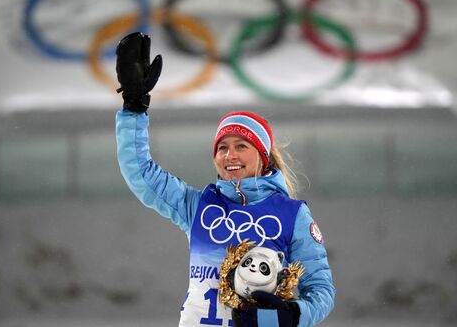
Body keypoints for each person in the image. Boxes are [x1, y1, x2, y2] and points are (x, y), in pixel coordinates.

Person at [115, 32, 335, 327]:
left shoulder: (292, 215)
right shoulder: (198, 206)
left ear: (263, 157)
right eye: (222, 148)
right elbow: (140, 173)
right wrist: (134, 107)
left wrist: (289, 317)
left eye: (241, 146)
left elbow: (321, 291)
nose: (230, 155)